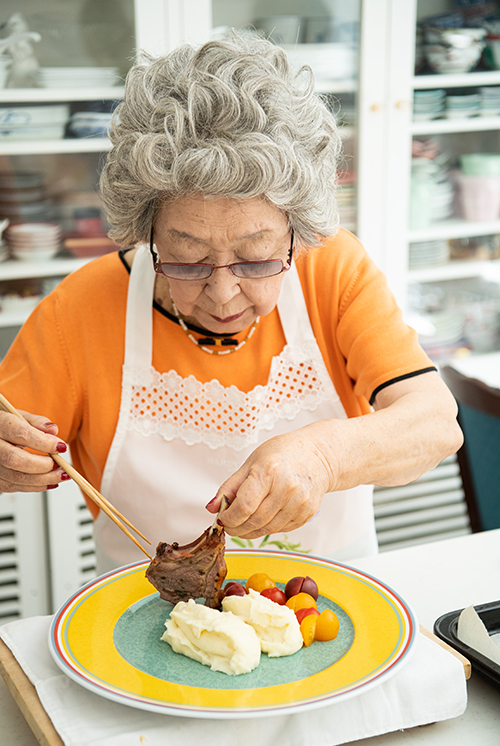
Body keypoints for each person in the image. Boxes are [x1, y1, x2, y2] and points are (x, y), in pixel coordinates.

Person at [0, 33, 462, 573]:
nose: (222, 293)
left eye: (257, 258)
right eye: (187, 259)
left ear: (297, 231)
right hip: (142, 628)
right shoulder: (80, 310)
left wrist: (321, 457)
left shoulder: (331, 269)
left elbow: (434, 424)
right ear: (145, 232)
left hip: (332, 619)